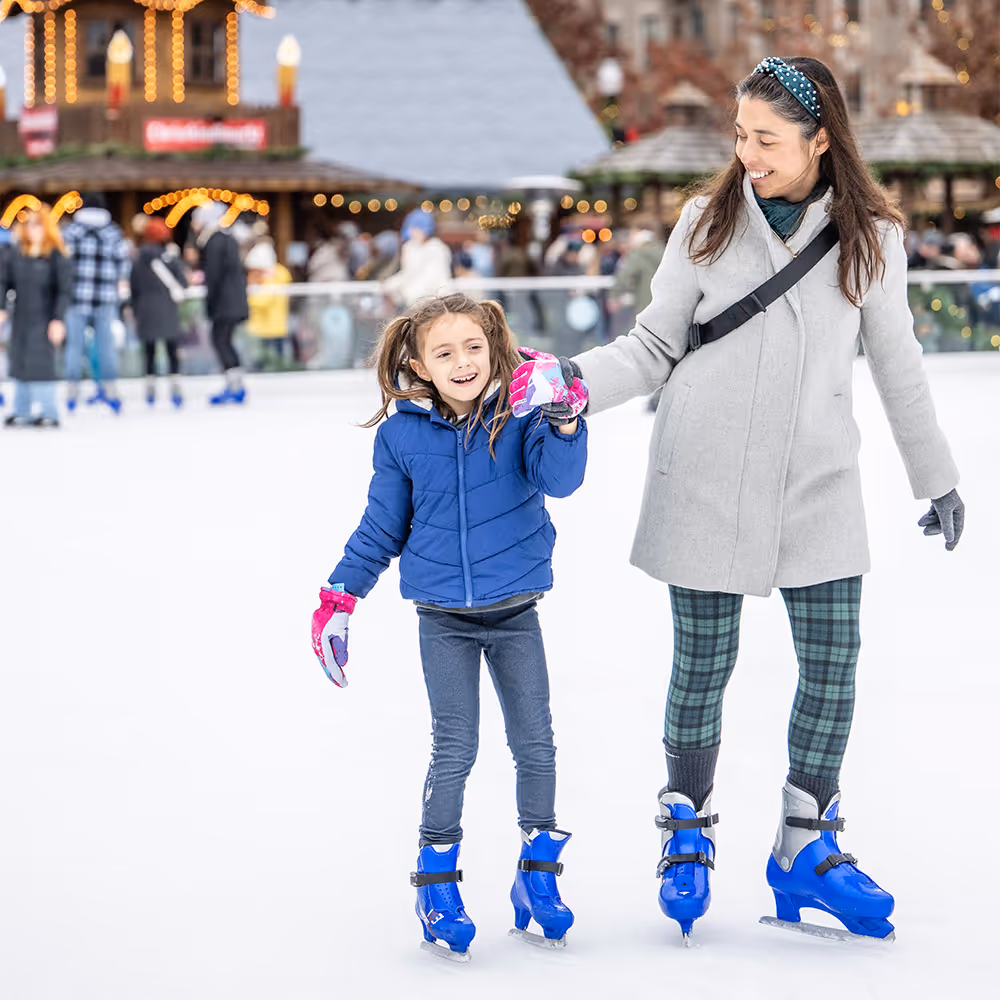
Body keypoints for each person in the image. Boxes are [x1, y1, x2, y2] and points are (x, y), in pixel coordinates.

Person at [511, 56, 964, 944]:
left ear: (820, 139)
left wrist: (935, 474)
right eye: (740, 135)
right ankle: (687, 824)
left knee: (834, 667)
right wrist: (570, 380)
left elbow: (899, 364)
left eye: (766, 138)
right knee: (703, 667)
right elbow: (651, 345)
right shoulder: (706, 222)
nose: (747, 152)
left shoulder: (870, 234)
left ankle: (805, 847)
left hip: (817, 481)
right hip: (707, 473)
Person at [310, 293, 589, 961]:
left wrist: (566, 420)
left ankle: (538, 879)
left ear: (495, 346)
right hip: (443, 619)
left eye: (473, 347)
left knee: (537, 746)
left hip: (517, 611)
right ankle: (436, 886)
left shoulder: (521, 413)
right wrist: (339, 595)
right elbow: (383, 526)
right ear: (418, 362)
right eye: (444, 352)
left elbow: (562, 481)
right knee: (455, 750)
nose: (462, 362)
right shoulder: (402, 435)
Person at [0, 204, 70, 428]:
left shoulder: (56, 254)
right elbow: (4, 282)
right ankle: (22, 410)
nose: (32, 229)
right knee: (19, 360)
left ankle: (49, 410)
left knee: (41, 363)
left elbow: (64, 290)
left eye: (37, 224)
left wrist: (58, 319)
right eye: (28, 224)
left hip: (45, 317)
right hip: (21, 316)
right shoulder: (16, 253)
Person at [62, 191, 131, 414]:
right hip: (105, 299)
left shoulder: (71, 232)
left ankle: (72, 391)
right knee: (106, 347)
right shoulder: (112, 233)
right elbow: (123, 266)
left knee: (74, 346)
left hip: (76, 298)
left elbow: (62, 266)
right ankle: (110, 390)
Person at [190, 201, 249, 405]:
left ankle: (235, 387)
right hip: (233, 301)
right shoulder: (227, 238)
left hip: (225, 304)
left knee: (221, 340)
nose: (193, 224)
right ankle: (236, 385)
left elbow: (213, 276)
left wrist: (211, 304)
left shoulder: (214, 240)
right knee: (225, 340)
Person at [129, 216, 188, 408]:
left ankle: (150, 389)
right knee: (171, 350)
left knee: (150, 351)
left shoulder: (139, 259)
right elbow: (183, 282)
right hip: (168, 309)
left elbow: (133, 287)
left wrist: (136, 310)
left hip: (146, 310)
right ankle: (175, 387)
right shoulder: (169, 257)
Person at [383, 209, 453, 307]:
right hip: (410, 302)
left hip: (431, 303)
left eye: (417, 228)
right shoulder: (409, 247)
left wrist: (443, 298)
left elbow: (442, 277)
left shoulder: (437, 248)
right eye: (411, 228)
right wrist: (388, 284)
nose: (413, 232)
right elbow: (407, 274)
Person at [245, 241, 292, 368]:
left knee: (272, 364)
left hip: (271, 329)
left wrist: (250, 295)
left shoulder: (275, 277)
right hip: (263, 329)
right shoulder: (272, 276)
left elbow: (263, 301)